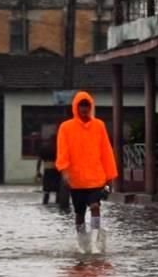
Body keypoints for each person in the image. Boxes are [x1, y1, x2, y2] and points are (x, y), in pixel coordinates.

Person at [55, 91, 118, 253]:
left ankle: (96, 239)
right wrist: (64, 170)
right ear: (76, 107)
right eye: (81, 105)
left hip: (96, 178)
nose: (84, 108)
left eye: (87, 105)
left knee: (95, 206)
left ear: (91, 107)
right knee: (79, 213)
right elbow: (62, 151)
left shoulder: (99, 126)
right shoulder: (66, 127)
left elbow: (106, 151)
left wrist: (110, 176)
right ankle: (83, 243)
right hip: (76, 180)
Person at [35, 132, 60, 205]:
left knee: (46, 190)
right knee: (58, 191)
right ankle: (57, 203)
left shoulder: (44, 147)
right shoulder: (59, 147)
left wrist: (38, 171)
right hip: (58, 170)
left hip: (47, 169)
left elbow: (39, 160)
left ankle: (45, 202)